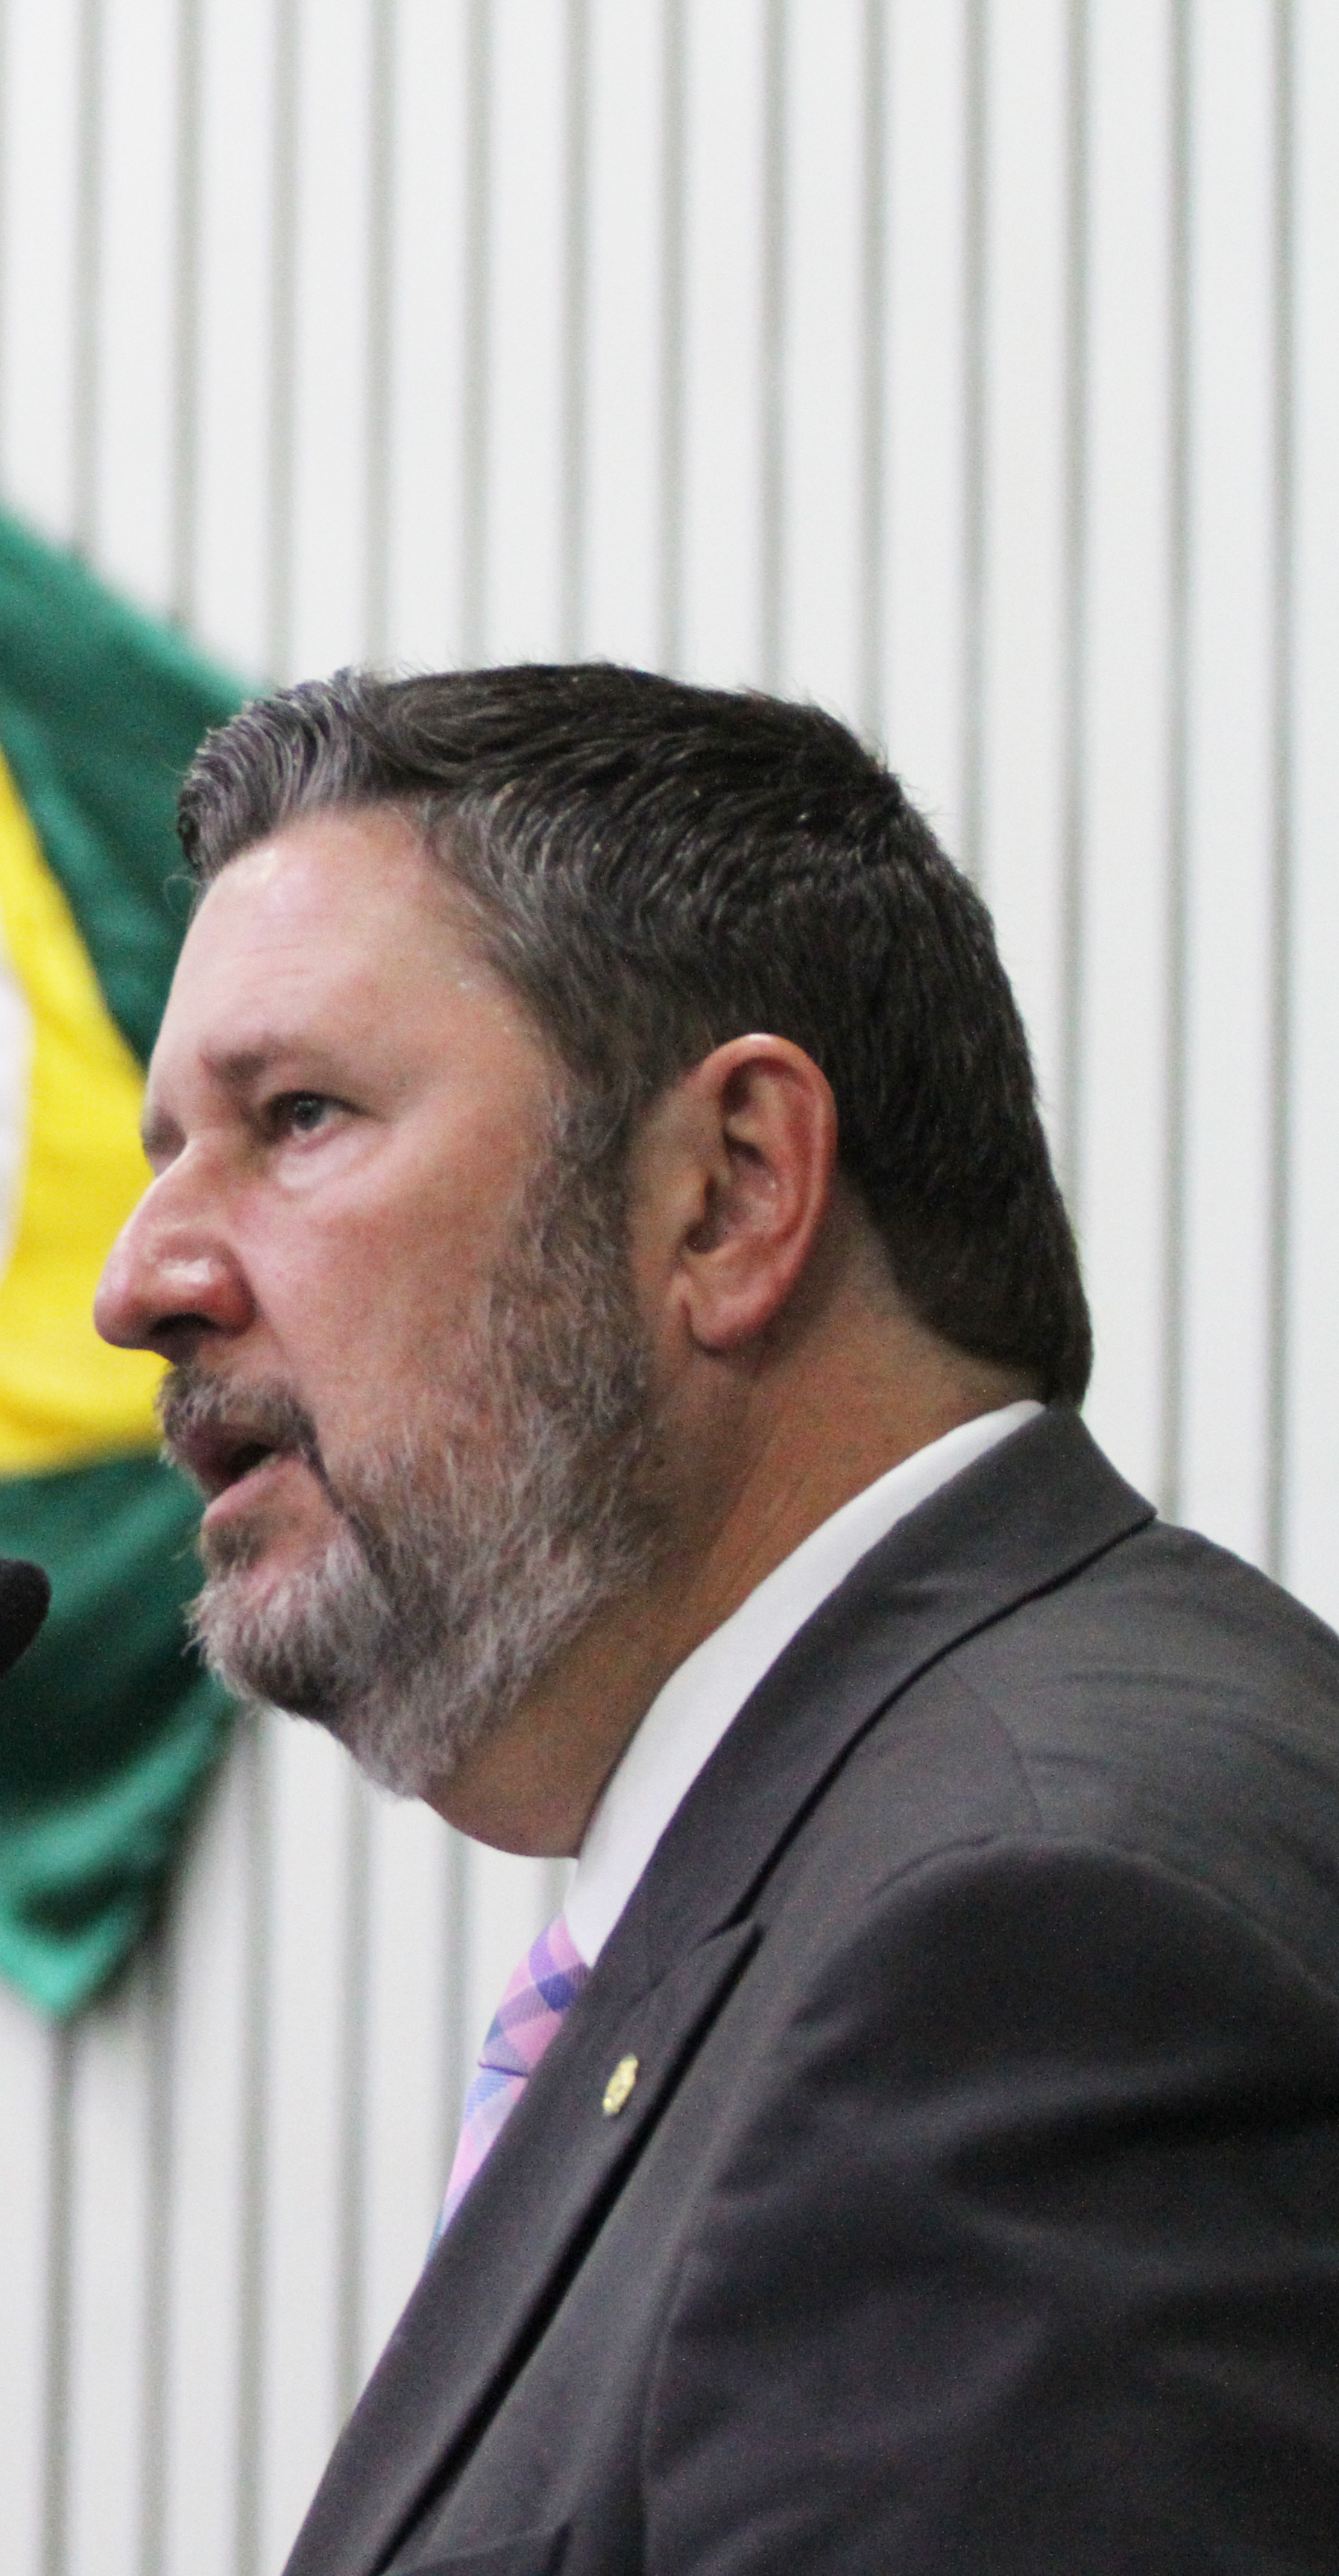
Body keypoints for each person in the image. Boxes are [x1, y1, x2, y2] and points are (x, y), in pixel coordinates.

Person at [92, 665, 1339, 2574]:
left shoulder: (1020, 1939)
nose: (143, 1279)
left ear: (732, 1192)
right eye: (167, 1151)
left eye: (300, 1116)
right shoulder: (895, 1857)